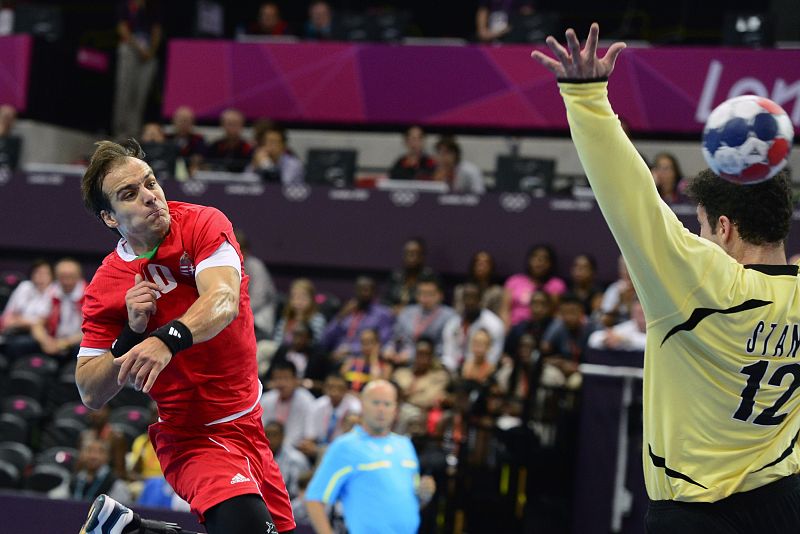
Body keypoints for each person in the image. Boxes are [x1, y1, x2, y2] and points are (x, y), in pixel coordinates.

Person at [533, 23, 800, 531]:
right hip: (786, 504)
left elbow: (633, 202)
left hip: (695, 515)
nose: (694, 238)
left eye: (698, 226)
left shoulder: (705, 283)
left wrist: (586, 97)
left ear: (723, 227)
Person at [75, 139, 294, 533]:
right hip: (192, 436)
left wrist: (165, 339)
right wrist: (131, 334)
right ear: (110, 218)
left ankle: (132, 531)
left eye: (150, 183)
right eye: (130, 194)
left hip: (249, 422)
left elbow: (224, 299)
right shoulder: (106, 286)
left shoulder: (202, 223)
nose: (150, 197)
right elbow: (90, 392)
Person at [304, 380, 436, 534]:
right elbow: (314, 498)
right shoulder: (345, 446)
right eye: (376, 403)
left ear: (395, 409)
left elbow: (409, 503)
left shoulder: (405, 445)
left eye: (387, 404)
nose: (381, 409)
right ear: (362, 405)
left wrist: (424, 496)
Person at [112, 0, 162, 140]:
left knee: (140, 96)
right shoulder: (125, 5)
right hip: (130, 50)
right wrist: (138, 48)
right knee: (125, 92)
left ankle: (133, 135)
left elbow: (156, 30)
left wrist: (151, 52)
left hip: (148, 55)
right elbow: (122, 28)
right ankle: (120, 134)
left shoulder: (152, 7)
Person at [321, 276, 394, 363]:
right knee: (319, 354)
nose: (364, 293)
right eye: (360, 290)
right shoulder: (348, 311)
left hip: (363, 358)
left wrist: (351, 349)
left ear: (374, 292)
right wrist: (340, 316)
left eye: (367, 290)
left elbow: (382, 341)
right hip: (337, 356)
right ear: (355, 291)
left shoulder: (383, 314)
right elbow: (324, 339)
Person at [441, 282, 505, 373]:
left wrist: (472, 369)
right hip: (455, 371)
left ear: (480, 300)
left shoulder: (494, 324)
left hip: (482, 370)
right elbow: (448, 353)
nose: (470, 301)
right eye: (466, 297)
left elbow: (494, 357)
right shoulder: (453, 323)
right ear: (462, 299)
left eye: (473, 297)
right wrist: (450, 368)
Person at [500, 244, 567, 329]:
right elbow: (504, 310)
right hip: (514, 328)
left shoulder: (556, 284)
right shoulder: (514, 281)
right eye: (535, 257)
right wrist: (506, 330)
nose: (539, 262)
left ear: (550, 263)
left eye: (544, 259)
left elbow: (555, 312)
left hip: (543, 329)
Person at [261, 360, 316, 449]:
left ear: (295, 380)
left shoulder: (307, 400)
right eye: (277, 378)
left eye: (286, 378)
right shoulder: (266, 399)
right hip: (267, 449)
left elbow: (309, 436)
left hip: (296, 450)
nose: (281, 383)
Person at [383, 237, 438, 311]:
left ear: (422, 256)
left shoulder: (430, 277)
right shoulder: (396, 275)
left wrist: (407, 312)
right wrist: (393, 308)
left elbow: (434, 303)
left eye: (414, 253)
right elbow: (384, 300)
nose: (410, 257)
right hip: (394, 316)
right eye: (408, 253)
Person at [264, 421, 311, 500]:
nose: (270, 439)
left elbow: (297, 492)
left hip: (292, 503)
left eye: (274, 435)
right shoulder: (258, 457)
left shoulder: (296, 459)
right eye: (267, 435)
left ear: (282, 436)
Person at [452, 250, 504, 316]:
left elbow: (496, 317)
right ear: (472, 266)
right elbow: (457, 314)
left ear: (491, 267)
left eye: (485, 262)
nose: (481, 265)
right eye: (478, 262)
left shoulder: (496, 292)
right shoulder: (461, 290)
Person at [205, 108, 253, 173]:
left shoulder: (248, 148)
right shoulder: (215, 146)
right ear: (222, 125)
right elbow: (207, 167)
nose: (232, 128)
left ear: (242, 125)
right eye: (229, 124)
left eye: (235, 124)